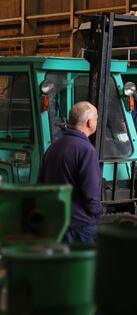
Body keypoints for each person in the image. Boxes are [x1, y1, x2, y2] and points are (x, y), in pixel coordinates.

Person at [38, 101, 103, 244]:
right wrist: (98, 212)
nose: (97, 122)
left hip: (56, 224)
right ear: (89, 122)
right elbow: (91, 193)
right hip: (80, 227)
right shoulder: (86, 150)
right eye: (96, 118)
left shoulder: (53, 147)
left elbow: (41, 184)